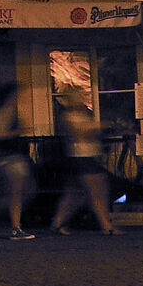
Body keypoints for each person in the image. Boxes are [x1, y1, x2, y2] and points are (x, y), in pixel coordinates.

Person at [49, 89, 118, 235]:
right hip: (81, 155)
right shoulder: (69, 116)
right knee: (97, 190)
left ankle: (57, 223)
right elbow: (79, 134)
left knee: (75, 192)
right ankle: (106, 225)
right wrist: (99, 127)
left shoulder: (82, 114)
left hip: (85, 155)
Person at [0, 82, 35, 239]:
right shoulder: (5, 112)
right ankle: (13, 225)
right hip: (10, 157)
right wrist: (16, 132)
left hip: (12, 157)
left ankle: (9, 222)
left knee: (21, 191)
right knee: (17, 192)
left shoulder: (8, 112)